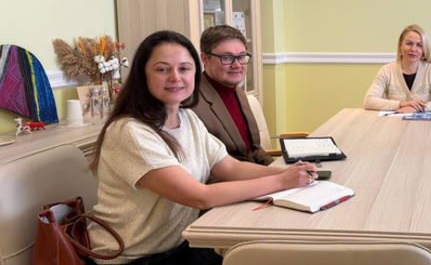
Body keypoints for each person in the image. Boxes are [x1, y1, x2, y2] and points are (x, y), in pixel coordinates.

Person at [87, 31, 317, 265]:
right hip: (130, 257)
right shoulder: (131, 131)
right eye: (162, 69)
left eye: (184, 68)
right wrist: (281, 181)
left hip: (180, 244)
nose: (176, 77)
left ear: (195, 72)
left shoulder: (187, 118)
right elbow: (200, 197)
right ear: (142, 75)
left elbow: (231, 168)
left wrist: (291, 173)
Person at [194, 25, 272, 166]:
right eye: (227, 57)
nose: (237, 65)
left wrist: (282, 170)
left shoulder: (238, 92)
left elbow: (253, 151)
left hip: (256, 172)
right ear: (205, 59)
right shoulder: (191, 103)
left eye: (241, 57)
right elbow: (205, 167)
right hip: (227, 177)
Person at [364, 24, 431, 112]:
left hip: (425, 124)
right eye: (409, 43)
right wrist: (402, 104)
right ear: (400, 45)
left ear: (424, 49)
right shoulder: (386, 71)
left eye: (419, 45)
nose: (413, 49)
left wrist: (418, 107)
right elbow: (368, 101)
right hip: (394, 123)